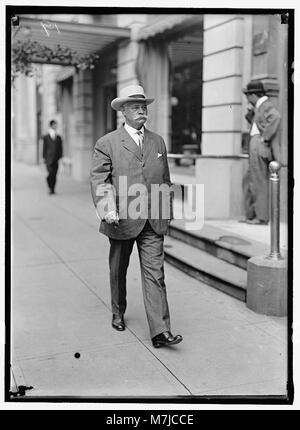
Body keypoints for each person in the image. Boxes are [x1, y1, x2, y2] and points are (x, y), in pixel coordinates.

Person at [90, 85, 183, 349]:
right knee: (118, 270)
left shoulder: (157, 141)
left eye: (143, 105)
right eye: (134, 106)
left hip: (153, 220)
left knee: (156, 274)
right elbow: (99, 178)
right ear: (123, 111)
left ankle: (160, 331)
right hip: (121, 219)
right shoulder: (107, 143)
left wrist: (166, 213)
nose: (141, 109)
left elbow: (164, 179)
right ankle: (118, 311)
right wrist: (108, 208)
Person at [241, 80, 281, 224]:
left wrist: (265, 137)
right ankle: (252, 214)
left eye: (248, 95)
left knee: (258, 180)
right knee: (249, 179)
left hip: (259, 144)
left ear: (253, 95)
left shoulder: (265, 104)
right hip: (256, 143)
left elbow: (276, 117)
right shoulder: (260, 106)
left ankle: (261, 217)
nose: (247, 98)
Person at [43, 120, 63, 194]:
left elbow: (60, 148)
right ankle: (49, 184)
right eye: (54, 125)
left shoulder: (59, 137)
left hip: (56, 159)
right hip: (48, 159)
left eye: (56, 125)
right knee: (50, 174)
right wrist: (44, 158)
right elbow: (44, 148)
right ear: (51, 125)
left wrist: (60, 157)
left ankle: (52, 189)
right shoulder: (46, 137)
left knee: (54, 174)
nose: (56, 126)